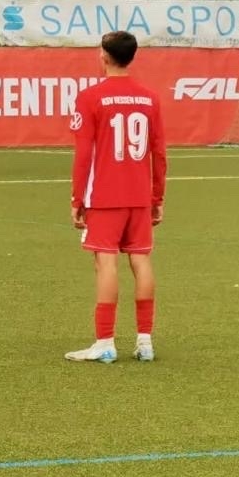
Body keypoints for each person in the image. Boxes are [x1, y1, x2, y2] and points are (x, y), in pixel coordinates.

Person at [65, 31, 167, 364]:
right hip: (139, 195)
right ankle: (145, 342)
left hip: (105, 195)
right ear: (132, 57)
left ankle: (105, 342)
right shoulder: (149, 98)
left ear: (104, 56)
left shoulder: (90, 97)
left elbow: (84, 154)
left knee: (105, 262)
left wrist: (77, 199)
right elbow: (159, 153)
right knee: (141, 260)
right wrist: (157, 197)